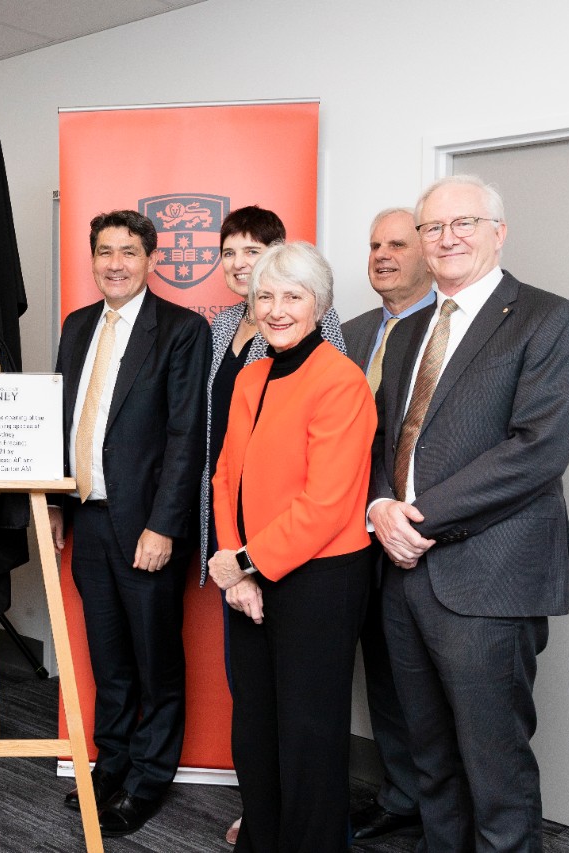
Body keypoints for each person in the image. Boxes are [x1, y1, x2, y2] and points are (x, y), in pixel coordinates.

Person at [369, 175, 569, 852]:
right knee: (429, 761)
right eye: (433, 227)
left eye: (464, 222)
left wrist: (416, 518)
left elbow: (536, 450)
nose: (447, 238)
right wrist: (381, 503)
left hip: (489, 577)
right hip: (404, 579)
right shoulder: (409, 333)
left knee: (496, 769)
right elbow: (386, 440)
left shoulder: (551, 318)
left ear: (499, 230)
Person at [208, 241, 376, 853]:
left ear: (319, 304)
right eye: (266, 296)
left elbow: (327, 504)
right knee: (255, 724)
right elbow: (225, 476)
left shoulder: (341, 380)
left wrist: (245, 562)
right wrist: (238, 571)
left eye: (293, 296)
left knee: (308, 732)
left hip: (320, 580)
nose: (277, 310)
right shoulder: (250, 375)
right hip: (250, 575)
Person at [47, 210, 210, 837]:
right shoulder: (77, 324)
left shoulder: (180, 330)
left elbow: (185, 432)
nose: (115, 263)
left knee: (154, 661)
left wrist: (165, 526)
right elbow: (62, 418)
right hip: (87, 519)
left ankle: (147, 779)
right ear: (93, 258)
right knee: (109, 657)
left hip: (145, 524)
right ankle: (111, 762)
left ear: (151, 260)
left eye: (128, 252)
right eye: (105, 251)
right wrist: (58, 501)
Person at [340, 207, 433, 842]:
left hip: (420, 532)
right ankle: (401, 795)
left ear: (428, 252)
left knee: (427, 678)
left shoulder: (445, 328)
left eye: (397, 243)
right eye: (375, 245)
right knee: (382, 669)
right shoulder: (349, 330)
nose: (382, 255)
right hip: (350, 531)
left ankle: (440, 805)